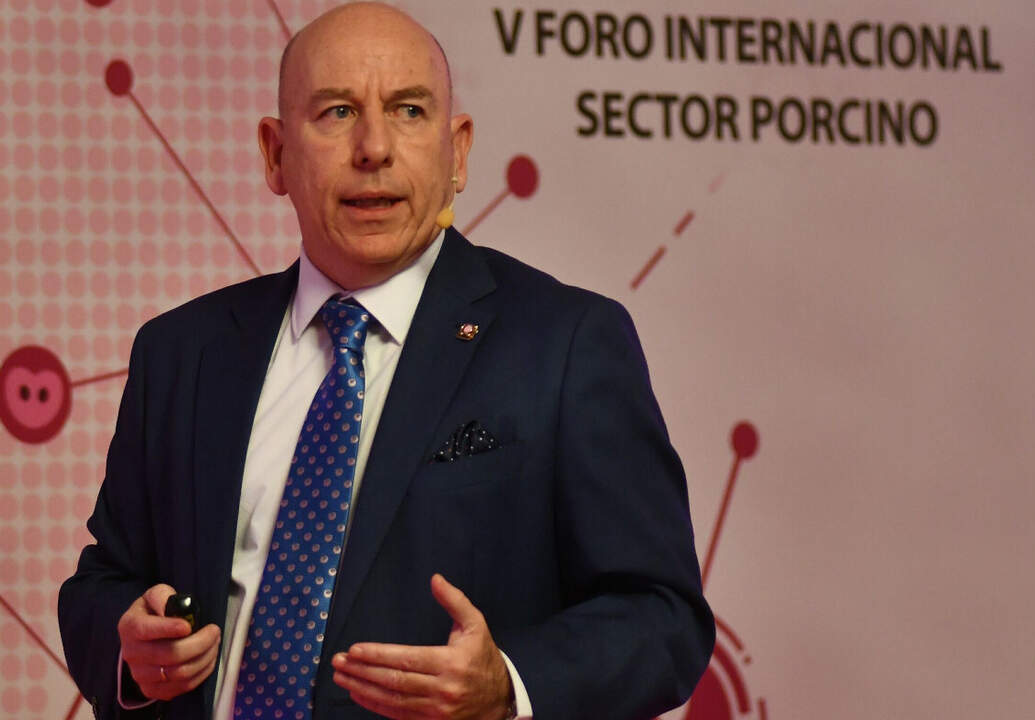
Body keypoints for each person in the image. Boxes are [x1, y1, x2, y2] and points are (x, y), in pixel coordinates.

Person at [58, 3, 714, 719]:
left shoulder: (566, 344)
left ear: (457, 152)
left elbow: (662, 617)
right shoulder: (182, 353)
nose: (373, 147)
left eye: (408, 111)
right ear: (275, 154)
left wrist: (507, 686)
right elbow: (104, 584)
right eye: (337, 113)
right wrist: (132, 649)